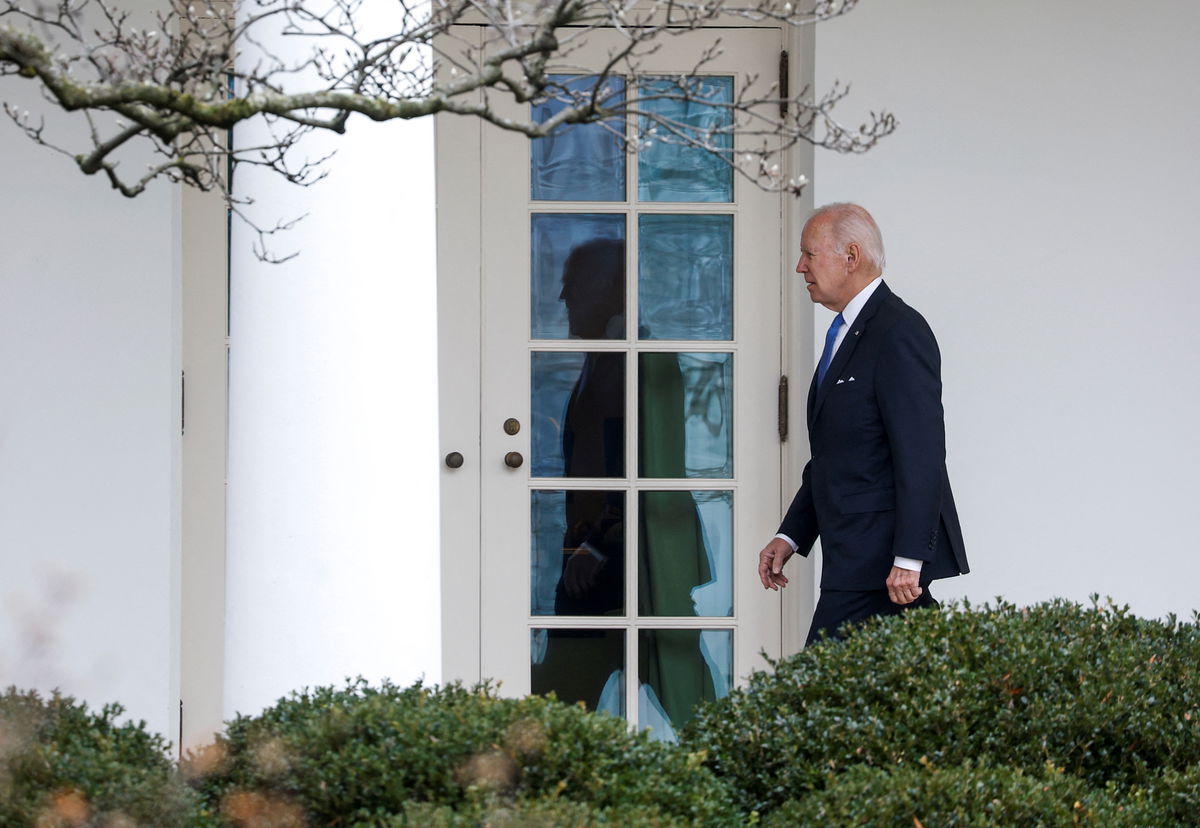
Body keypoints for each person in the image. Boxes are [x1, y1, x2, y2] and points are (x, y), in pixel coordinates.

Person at [757, 203, 968, 645]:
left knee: (814, 697)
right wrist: (791, 534)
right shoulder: (845, 332)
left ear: (850, 257)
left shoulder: (898, 331)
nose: (800, 268)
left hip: (880, 564)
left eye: (809, 255)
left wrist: (910, 556)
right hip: (854, 558)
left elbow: (921, 452)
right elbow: (838, 456)